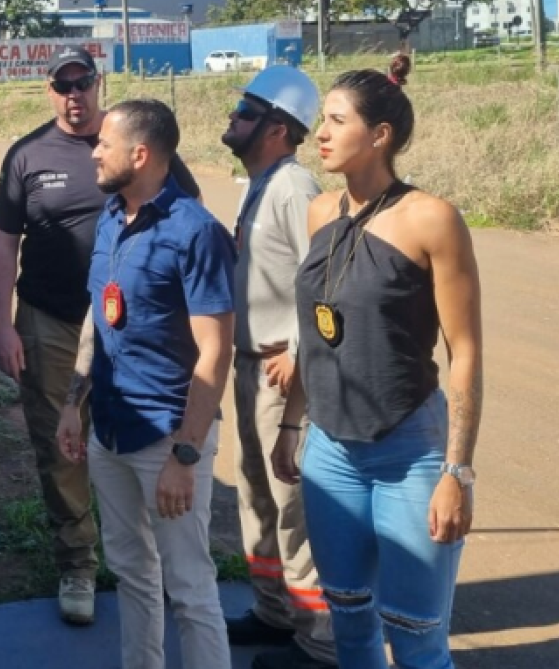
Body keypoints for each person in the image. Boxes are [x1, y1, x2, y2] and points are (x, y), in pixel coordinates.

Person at [272, 69, 483, 669]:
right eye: (323, 120)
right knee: (349, 621)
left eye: (338, 121)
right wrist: (294, 426)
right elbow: (318, 334)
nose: (321, 133)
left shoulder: (430, 220)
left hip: (409, 452)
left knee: (416, 635)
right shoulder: (319, 212)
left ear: (381, 134)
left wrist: (457, 471)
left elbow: (464, 352)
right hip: (330, 453)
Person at [0, 46, 202, 626]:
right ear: (48, 91)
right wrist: (3, 323)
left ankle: (145, 561)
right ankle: (78, 562)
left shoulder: (138, 146)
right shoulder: (28, 156)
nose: (74, 94)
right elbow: (5, 245)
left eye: (82, 82)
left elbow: (185, 222)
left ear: (98, 83)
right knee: (63, 446)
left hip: (133, 331)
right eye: (63, 85)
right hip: (52, 321)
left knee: (137, 440)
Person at [55, 98, 236, 669]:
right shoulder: (111, 217)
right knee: (132, 573)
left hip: (166, 437)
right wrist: (73, 400)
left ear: (141, 153)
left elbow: (216, 349)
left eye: (104, 144)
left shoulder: (196, 233)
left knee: (188, 585)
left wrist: (185, 452)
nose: (95, 152)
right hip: (110, 429)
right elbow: (97, 315)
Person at [220, 68, 337, 669]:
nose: (233, 117)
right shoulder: (257, 184)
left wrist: (295, 348)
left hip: (278, 368)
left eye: (245, 109)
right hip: (247, 365)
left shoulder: (294, 188)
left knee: (292, 506)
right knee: (256, 496)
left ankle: (318, 642)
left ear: (277, 129)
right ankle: (272, 611)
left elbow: (321, 282)